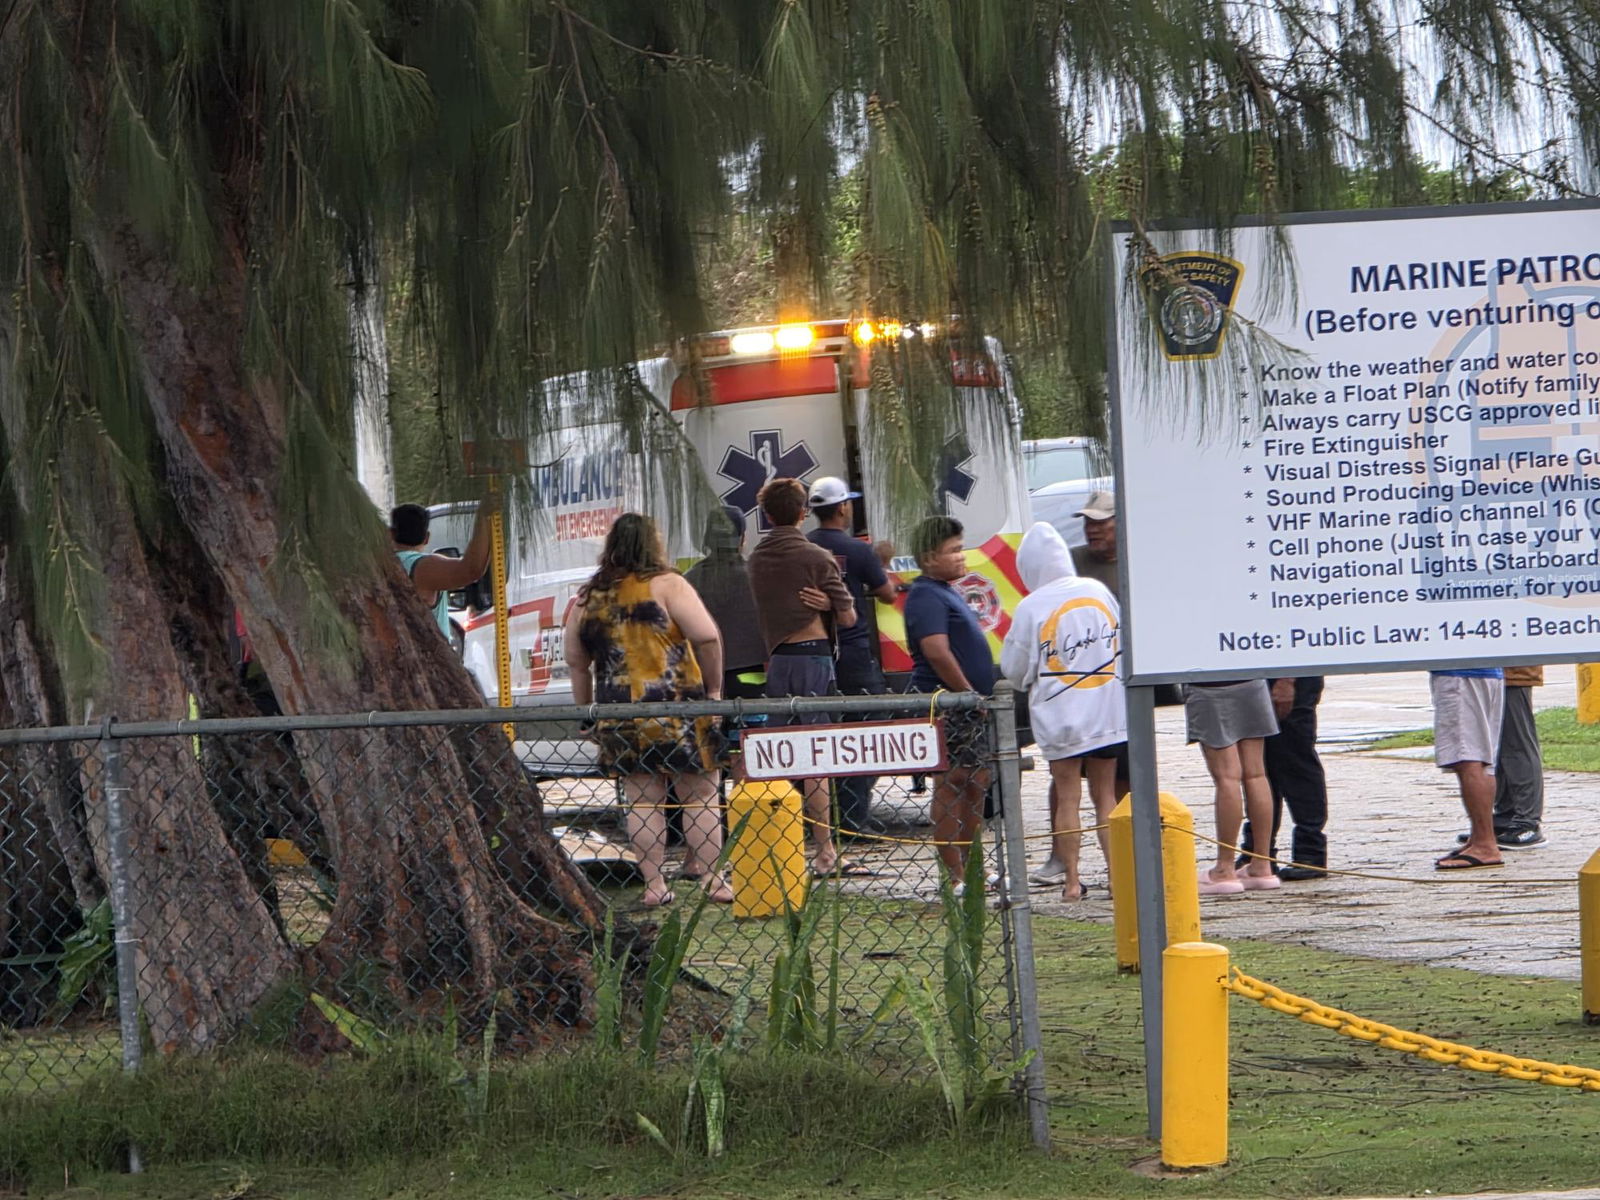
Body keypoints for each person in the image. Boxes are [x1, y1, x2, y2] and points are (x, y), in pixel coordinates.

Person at [562, 512, 733, 908]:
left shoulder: (589, 596)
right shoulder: (669, 584)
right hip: (679, 705)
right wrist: (714, 690)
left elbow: (576, 660)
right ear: (653, 544)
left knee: (642, 800)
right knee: (701, 796)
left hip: (620, 711)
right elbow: (706, 636)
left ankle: (655, 884)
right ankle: (712, 879)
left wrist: (586, 711)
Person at [1000, 523, 1126, 902]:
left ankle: (1072, 882)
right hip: (1107, 710)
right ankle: (1118, 877)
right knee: (1106, 796)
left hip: (1060, 716)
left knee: (1067, 796)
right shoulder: (1097, 590)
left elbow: (1015, 668)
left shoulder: (1032, 606)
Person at [746, 477, 858, 876]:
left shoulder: (756, 560)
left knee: (777, 754)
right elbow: (847, 617)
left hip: (775, 659)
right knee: (817, 756)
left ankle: (778, 843)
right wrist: (829, 603)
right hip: (813, 657)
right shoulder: (817, 557)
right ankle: (826, 849)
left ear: (766, 515)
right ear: (802, 512)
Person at [904, 515, 996, 885]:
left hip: (968, 705)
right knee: (954, 782)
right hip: (949, 705)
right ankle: (955, 874)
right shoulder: (926, 595)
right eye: (954, 551)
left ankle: (974, 865)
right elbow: (937, 651)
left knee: (977, 781)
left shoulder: (945, 591)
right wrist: (965, 693)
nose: (962, 557)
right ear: (929, 557)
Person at [807, 476, 900, 836]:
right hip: (855, 654)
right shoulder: (859, 551)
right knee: (871, 730)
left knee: (823, 733)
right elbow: (888, 595)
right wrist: (883, 562)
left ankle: (827, 814)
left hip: (816, 655)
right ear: (843, 507)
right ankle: (853, 816)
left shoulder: (806, 546)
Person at [1186, 680, 1280, 894]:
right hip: (1251, 680)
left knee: (1227, 777)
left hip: (1210, 686)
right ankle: (1262, 863)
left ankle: (1224, 868)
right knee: (1256, 774)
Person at [1240, 677, 1329, 881]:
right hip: (1256, 679)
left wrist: (1287, 679)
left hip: (1290, 675)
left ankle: (1309, 853)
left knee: (1295, 760)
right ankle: (1257, 853)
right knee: (1260, 767)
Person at [683, 506, 767, 701]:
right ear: (742, 539)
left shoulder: (688, 581)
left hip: (703, 678)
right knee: (750, 729)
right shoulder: (757, 577)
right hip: (752, 680)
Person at [1431, 666, 1506, 870]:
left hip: (1461, 675)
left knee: (1468, 758)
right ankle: (1479, 838)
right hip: (1488, 673)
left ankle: (1484, 843)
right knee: (1483, 760)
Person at [390, 499, 497, 642]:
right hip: (427, 660)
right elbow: (472, 569)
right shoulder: (423, 567)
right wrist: (483, 518)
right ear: (427, 538)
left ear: (390, 533)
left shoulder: (379, 566)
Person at [1491, 665, 1546, 849]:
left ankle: (1528, 821)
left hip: (1513, 671)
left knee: (1518, 743)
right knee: (1500, 747)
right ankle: (1505, 816)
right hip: (1492, 673)